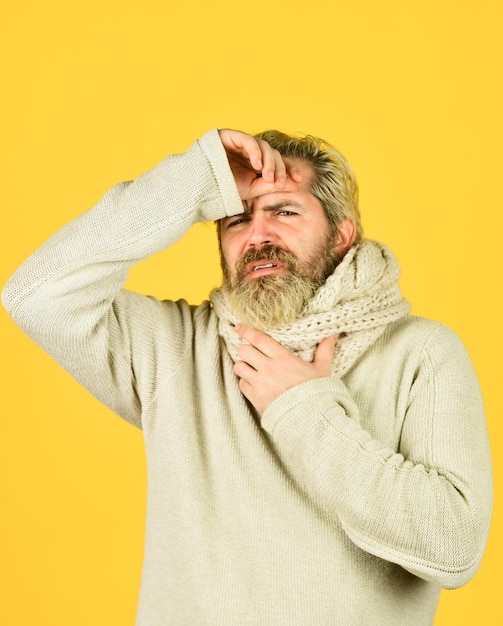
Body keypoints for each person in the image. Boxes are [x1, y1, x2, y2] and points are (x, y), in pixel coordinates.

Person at [2, 128, 493, 626]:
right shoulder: (175, 349)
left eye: (283, 211)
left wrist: (305, 411)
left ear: (343, 235)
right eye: (236, 218)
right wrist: (196, 180)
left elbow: (453, 547)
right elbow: (37, 296)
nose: (258, 235)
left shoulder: (422, 354)